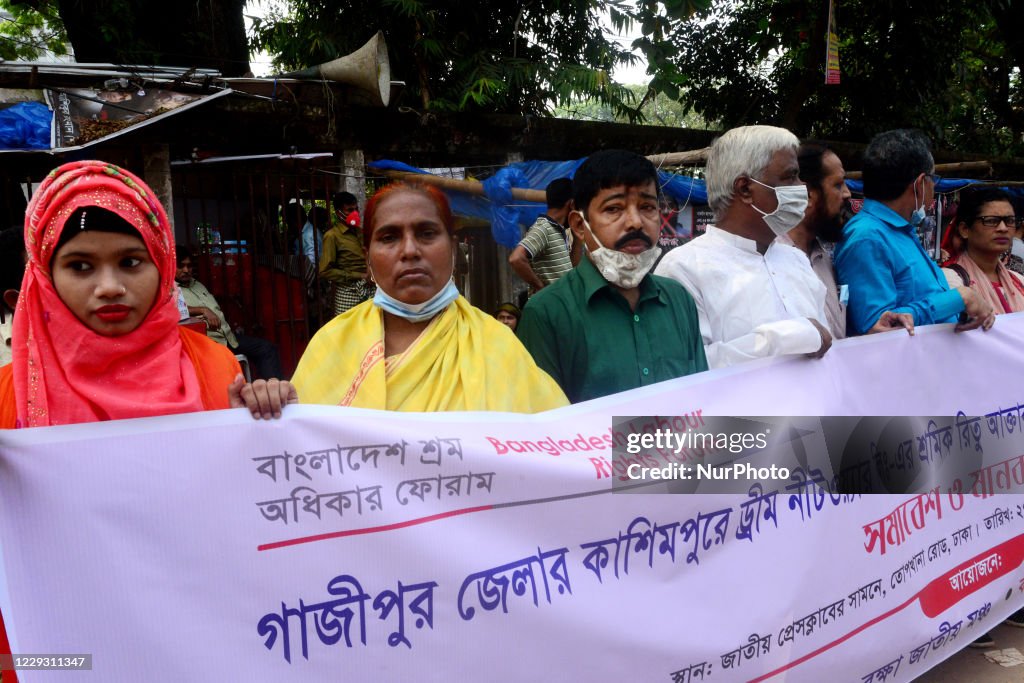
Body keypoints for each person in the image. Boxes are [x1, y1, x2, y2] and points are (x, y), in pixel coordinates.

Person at [0, 160, 294, 428]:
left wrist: (265, 424)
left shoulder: (216, 366)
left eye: (130, 262)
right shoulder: (9, 394)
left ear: (163, 268)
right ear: (47, 278)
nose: (110, 287)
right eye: (79, 266)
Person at [291, 181, 567, 412]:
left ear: (452, 247)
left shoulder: (497, 346)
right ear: (368, 258)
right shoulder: (332, 344)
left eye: (426, 233)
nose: (409, 250)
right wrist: (269, 409)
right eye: (389, 237)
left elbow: (554, 447)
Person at [516, 149, 707, 403]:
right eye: (614, 208)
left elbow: (700, 402)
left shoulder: (679, 299)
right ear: (579, 226)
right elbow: (544, 429)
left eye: (647, 207)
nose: (636, 222)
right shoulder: (546, 313)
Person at [655, 126, 833, 369]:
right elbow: (686, 368)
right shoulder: (683, 269)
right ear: (745, 189)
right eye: (790, 176)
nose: (801, 187)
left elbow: (824, 346)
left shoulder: (796, 259)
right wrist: (779, 340)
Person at [833, 129, 995, 335]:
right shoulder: (867, 237)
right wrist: (959, 298)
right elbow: (877, 327)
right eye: (933, 180)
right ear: (920, 184)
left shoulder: (899, 230)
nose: (933, 189)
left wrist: (960, 310)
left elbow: (920, 303)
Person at [777, 143, 914, 341]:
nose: (847, 194)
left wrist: (869, 332)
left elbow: (833, 337)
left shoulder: (823, 258)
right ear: (807, 195)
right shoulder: (771, 260)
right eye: (838, 184)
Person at [175, 246, 285, 380]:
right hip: (209, 343)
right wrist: (202, 310)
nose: (186, 270)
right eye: (181, 266)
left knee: (267, 349)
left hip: (228, 338)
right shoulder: (169, 288)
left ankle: (274, 392)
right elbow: (172, 309)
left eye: (189, 266)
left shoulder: (196, 284)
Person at [940, 187, 1024, 314]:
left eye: (1009, 221)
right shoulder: (950, 280)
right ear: (965, 230)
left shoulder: (1018, 281)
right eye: (991, 221)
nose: (1003, 228)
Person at [509, 178, 576, 291]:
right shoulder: (544, 228)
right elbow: (516, 258)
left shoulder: (559, 229)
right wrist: (540, 287)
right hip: (551, 305)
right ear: (571, 204)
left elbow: (573, 266)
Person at [320, 190, 373, 315]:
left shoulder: (361, 232)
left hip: (370, 289)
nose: (354, 213)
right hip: (348, 292)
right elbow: (325, 271)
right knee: (348, 331)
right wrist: (358, 275)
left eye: (356, 209)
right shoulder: (332, 236)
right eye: (349, 210)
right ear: (339, 213)